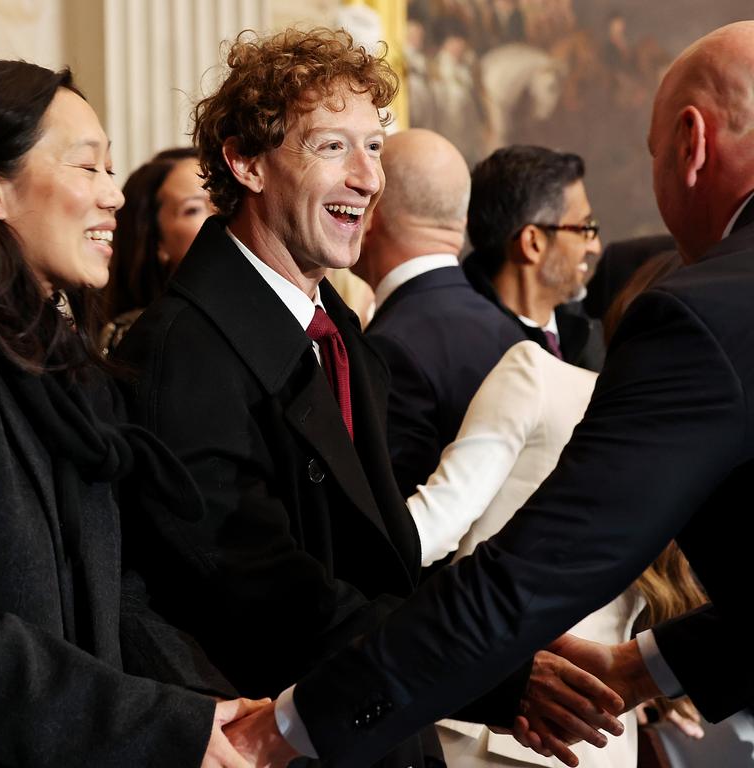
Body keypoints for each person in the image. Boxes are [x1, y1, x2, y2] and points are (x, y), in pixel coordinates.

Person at [226, 20, 754, 768]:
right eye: (335, 146)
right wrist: (639, 669)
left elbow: (533, 572)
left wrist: (284, 729)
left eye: (373, 147)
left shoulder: (702, 312)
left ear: (691, 143)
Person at [117, 27, 619, 768]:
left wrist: (502, 639)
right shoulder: (180, 353)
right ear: (245, 162)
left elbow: (387, 559)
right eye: (331, 148)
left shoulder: (338, 330)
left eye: (374, 147)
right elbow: (273, 599)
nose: (368, 178)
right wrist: (492, 673)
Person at [0, 59, 264, 767]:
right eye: (87, 168)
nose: (115, 198)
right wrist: (167, 726)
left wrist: (211, 711)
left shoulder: (58, 362)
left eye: (112, 170)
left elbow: (114, 594)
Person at [412, 252, 705, 768]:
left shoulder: (539, 375)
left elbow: (431, 528)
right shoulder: (696, 445)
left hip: (492, 719)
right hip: (599, 740)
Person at [354, 128, 526, 498]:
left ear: (372, 213)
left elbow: (395, 514)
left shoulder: (388, 348)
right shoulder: (510, 329)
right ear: (460, 221)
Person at [462, 145, 606, 372]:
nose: (595, 247)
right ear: (532, 243)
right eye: (583, 228)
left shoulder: (589, 333)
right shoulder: (472, 354)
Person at [101, 147, 213, 355]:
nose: (221, 213)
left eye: (222, 198)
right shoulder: (143, 338)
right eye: (194, 209)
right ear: (156, 239)